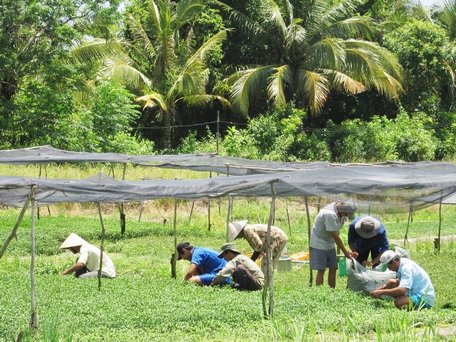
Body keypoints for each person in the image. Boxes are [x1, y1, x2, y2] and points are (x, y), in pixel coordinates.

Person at [310, 200, 358, 288]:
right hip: (319, 244)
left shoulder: (341, 209)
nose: (347, 216)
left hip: (330, 243)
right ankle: (318, 293)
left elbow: (336, 232)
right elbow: (335, 236)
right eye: (347, 214)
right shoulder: (329, 214)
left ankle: (332, 291)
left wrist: (347, 251)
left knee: (333, 268)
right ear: (342, 209)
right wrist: (345, 253)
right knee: (321, 270)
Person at [370, 250, 435, 310]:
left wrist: (381, 292)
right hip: (414, 292)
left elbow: (402, 290)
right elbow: (398, 282)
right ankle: (408, 301)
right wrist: (378, 290)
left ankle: (420, 308)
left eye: (389, 267)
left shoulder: (406, 268)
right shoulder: (401, 263)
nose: (389, 269)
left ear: (394, 262)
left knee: (399, 302)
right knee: (392, 283)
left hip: (423, 298)